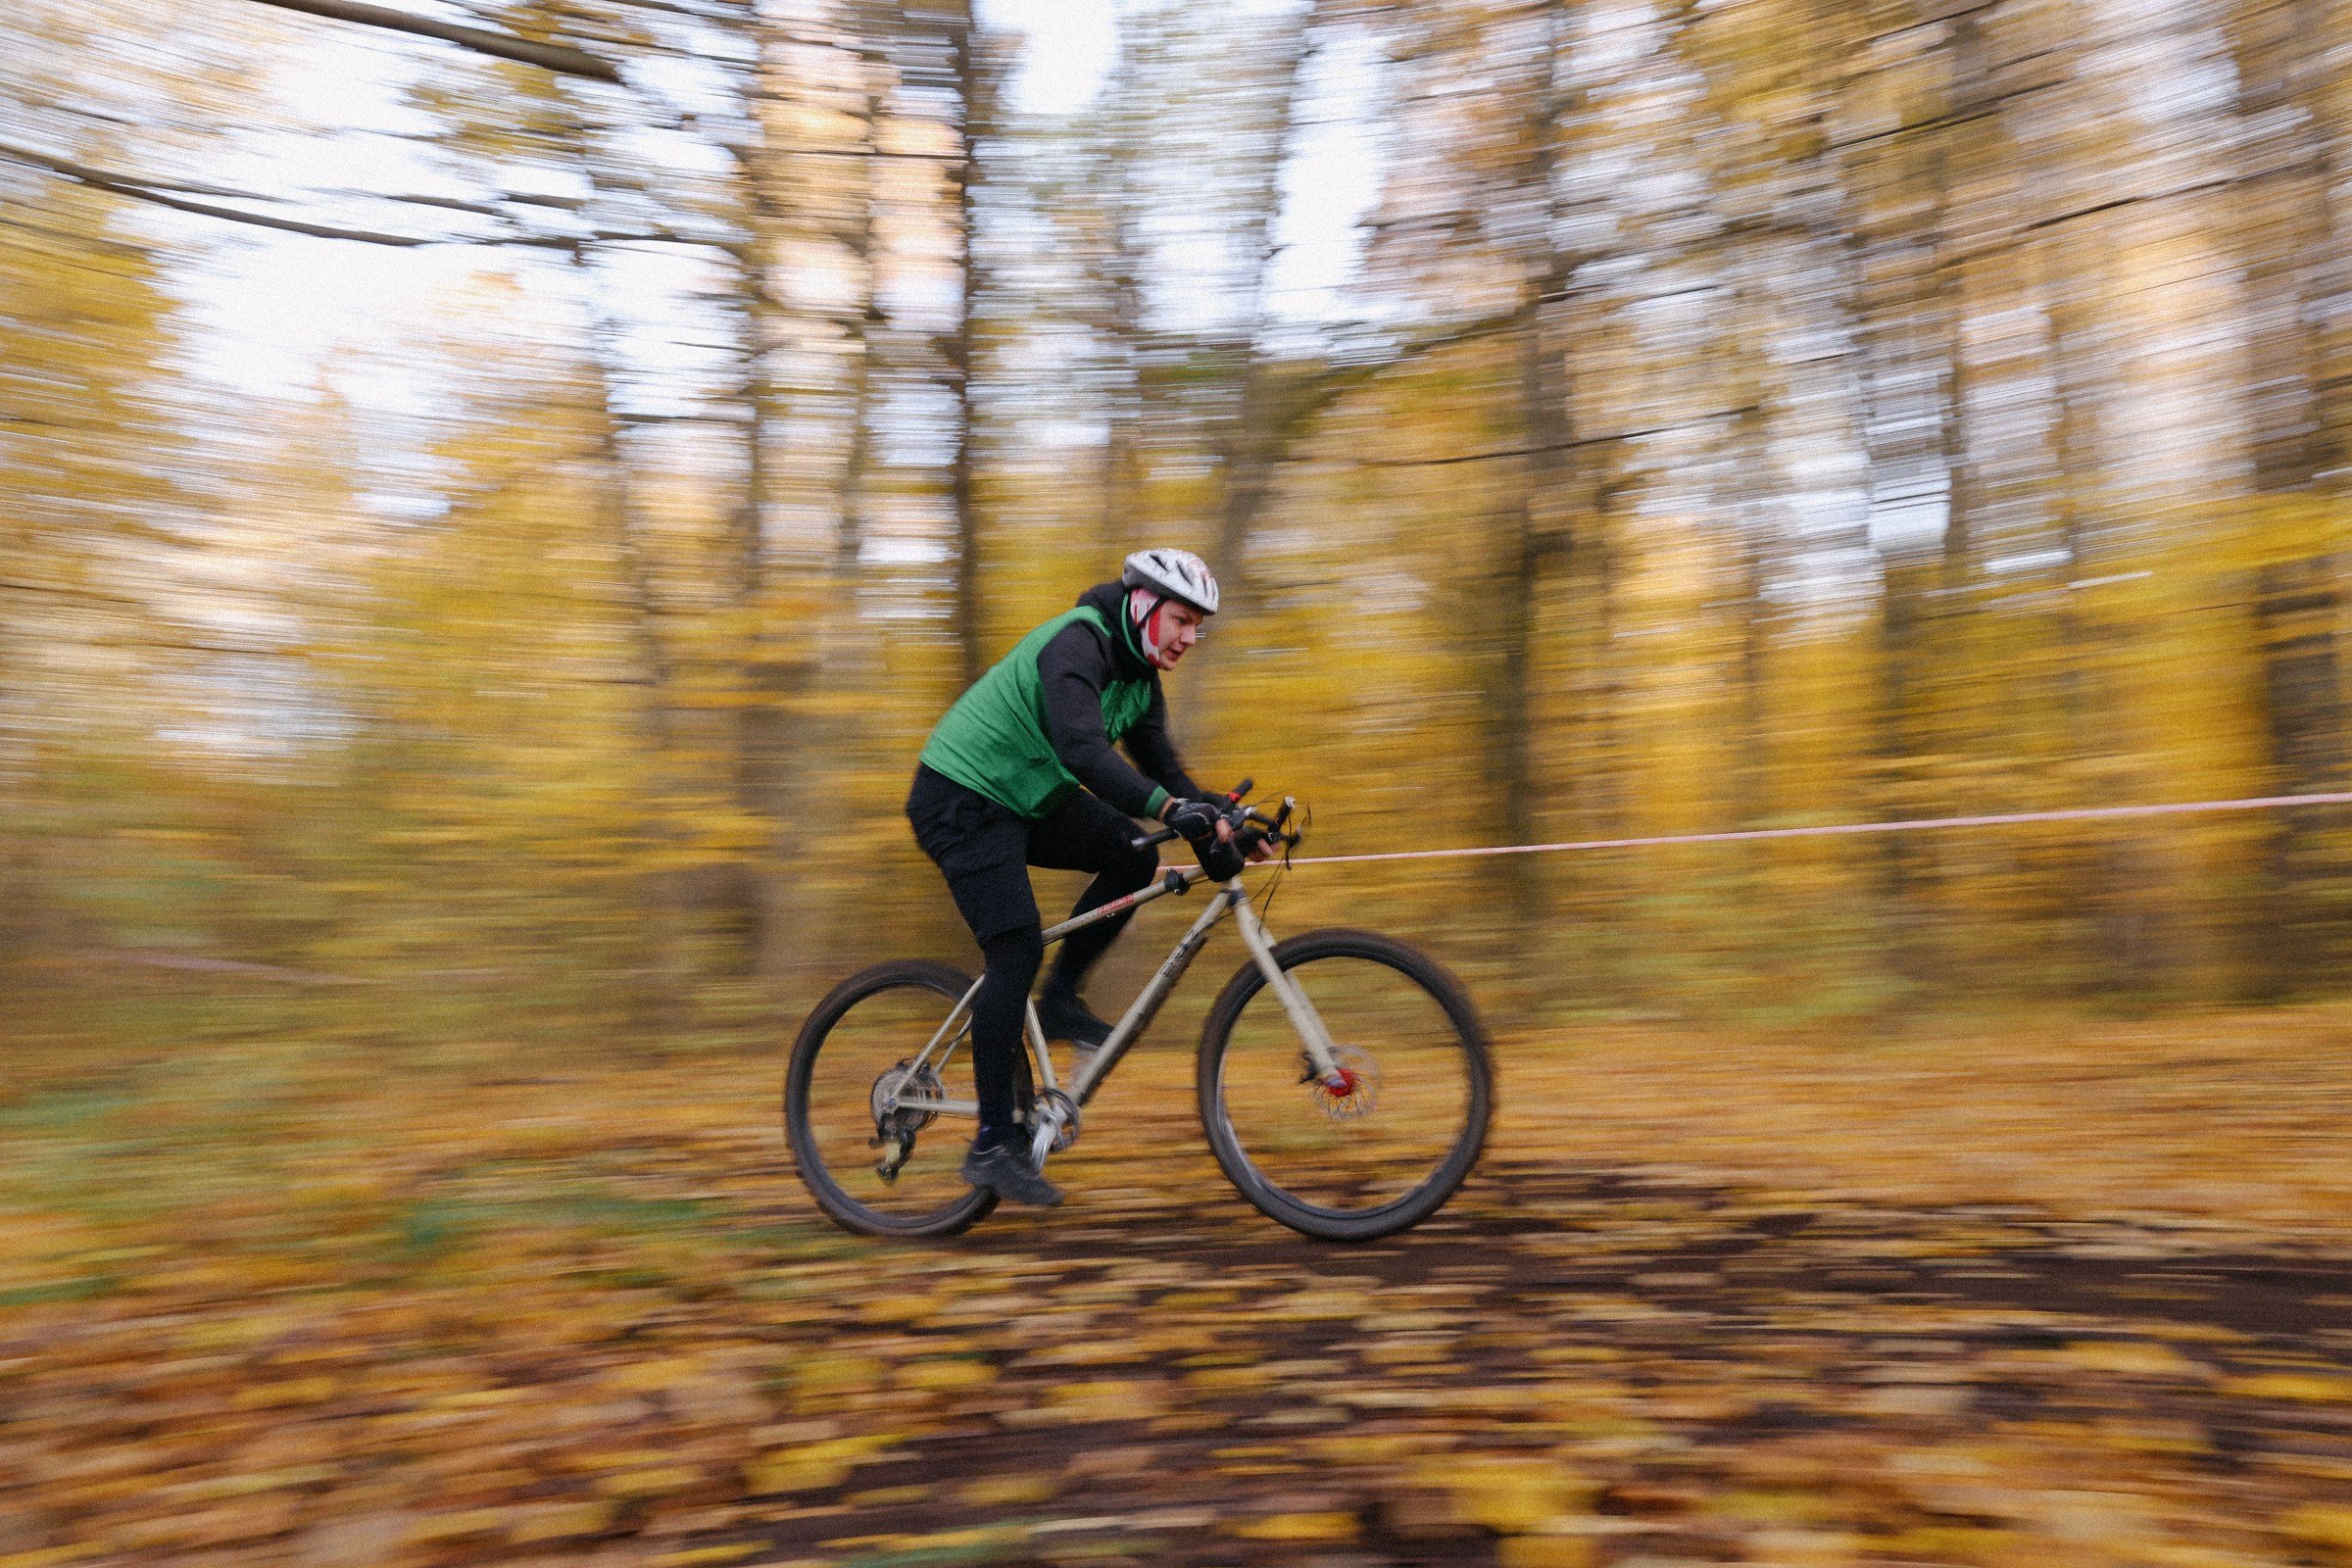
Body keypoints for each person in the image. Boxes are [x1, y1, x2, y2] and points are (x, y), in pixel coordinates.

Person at [906, 548, 1263, 1207]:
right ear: (1141, 604)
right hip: (960, 796)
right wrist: (1168, 809)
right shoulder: (1079, 643)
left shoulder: (1140, 682)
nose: (1189, 637)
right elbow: (1082, 750)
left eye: (1198, 627)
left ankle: (1061, 1000)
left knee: (1132, 853)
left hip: (1024, 797)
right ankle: (991, 1143)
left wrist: (1226, 817)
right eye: (1181, 619)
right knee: (1012, 942)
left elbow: (1170, 779)